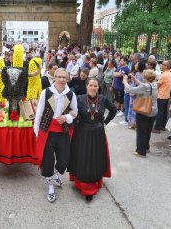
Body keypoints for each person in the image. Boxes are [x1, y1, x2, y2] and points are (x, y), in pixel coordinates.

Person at [68, 78, 116, 201]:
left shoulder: (103, 99)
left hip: (97, 134)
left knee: (95, 157)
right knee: (82, 157)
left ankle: (93, 184)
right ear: (86, 86)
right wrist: (73, 122)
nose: (93, 87)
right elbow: (70, 112)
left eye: (95, 85)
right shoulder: (79, 99)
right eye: (91, 85)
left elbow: (114, 110)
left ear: (98, 87)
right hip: (82, 133)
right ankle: (82, 184)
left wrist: (105, 122)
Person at [33, 68, 78, 202]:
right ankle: (51, 186)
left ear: (67, 79)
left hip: (62, 131)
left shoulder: (71, 94)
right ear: (54, 78)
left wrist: (67, 117)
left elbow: (75, 111)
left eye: (64, 77)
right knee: (47, 161)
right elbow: (39, 113)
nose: (62, 79)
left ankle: (55, 175)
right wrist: (37, 133)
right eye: (59, 77)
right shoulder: (46, 92)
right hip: (46, 131)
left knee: (64, 159)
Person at [123, 70, 158, 157]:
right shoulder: (154, 84)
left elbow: (130, 89)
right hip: (153, 111)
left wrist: (124, 81)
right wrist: (135, 80)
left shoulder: (145, 87)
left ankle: (141, 151)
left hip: (144, 111)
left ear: (145, 77)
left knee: (141, 131)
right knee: (148, 130)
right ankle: (146, 147)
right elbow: (144, 86)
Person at [153, 61, 171, 133]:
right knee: (163, 112)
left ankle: (157, 128)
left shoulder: (164, 75)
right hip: (166, 95)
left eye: (163, 64)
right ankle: (162, 126)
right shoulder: (169, 73)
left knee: (159, 112)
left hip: (161, 95)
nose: (161, 65)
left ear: (166, 66)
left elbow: (157, 84)